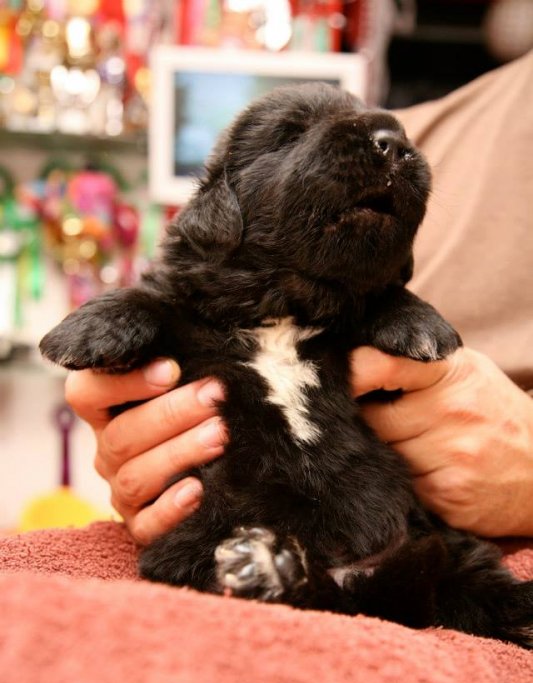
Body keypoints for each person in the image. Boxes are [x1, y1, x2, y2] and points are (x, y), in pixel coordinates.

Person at [64, 51, 533, 546]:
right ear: (217, 208)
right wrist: (134, 435)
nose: (391, 149)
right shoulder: (433, 124)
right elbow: (169, 307)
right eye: (292, 134)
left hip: (413, 539)